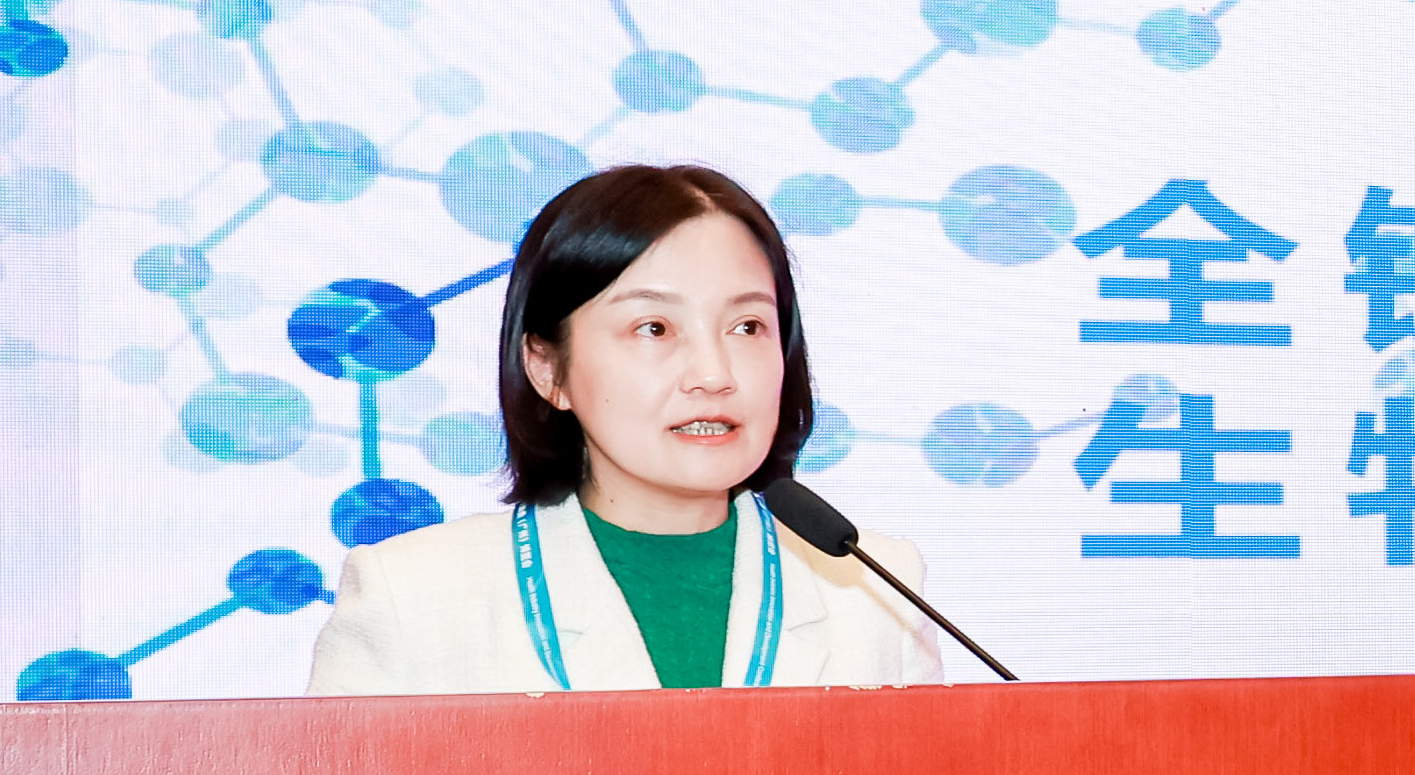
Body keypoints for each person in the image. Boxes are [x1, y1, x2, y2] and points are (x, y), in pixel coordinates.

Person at [307, 162, 940, 694]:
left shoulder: (876, 589)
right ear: (547, 368)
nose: (713, 374)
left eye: (747, 327)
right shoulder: (411, 595)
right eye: (654, 328)